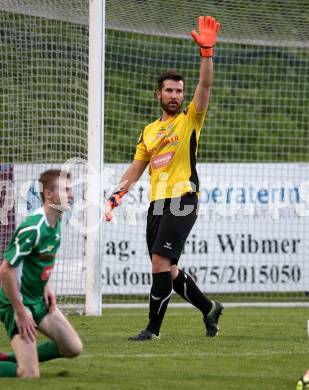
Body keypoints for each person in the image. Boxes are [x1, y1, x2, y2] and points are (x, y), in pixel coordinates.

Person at [104, 16, 222, 341]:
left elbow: (206, 86)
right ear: (158, 94)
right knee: (167, 270)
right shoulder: (149, 131)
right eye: (169, 90)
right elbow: (135, 168)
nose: (175, 95)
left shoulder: (190, 119)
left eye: (179, 91)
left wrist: (207, 54)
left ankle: (152, 331)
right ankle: (209, 308)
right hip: (156, 204)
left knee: (158, 262)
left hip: (183, 199)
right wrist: (116, 195)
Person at [0, 169, 83, 378]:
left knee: (73, 348)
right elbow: (6, 270)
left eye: (70, 189)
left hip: (37, 298)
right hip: (16, 303)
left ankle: (13, 357)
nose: (71, 194)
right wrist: (20, 311)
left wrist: (46, 286)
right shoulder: (33, 227)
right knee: (28, 374)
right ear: (48, 195)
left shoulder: (56, 221)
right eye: (65, 189)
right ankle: (22, 362)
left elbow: (34, 261)